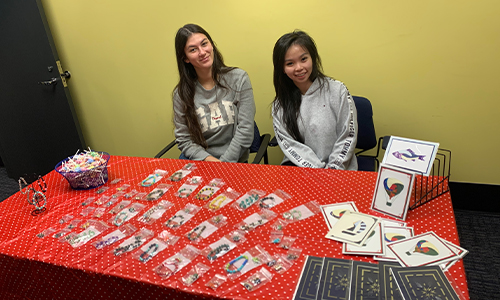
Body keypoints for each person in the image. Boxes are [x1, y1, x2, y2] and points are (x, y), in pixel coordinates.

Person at [271, 30, 358, 170]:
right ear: (282, 68)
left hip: (340, 171)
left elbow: (348, 135)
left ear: (313, 58)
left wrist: (332, 171)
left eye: (303, 59)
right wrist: (318, 171)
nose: (299, 68)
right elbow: (290, 145)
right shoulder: (279, 105)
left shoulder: (337, 91)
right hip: (302, 170)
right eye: (290, 63)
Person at [172, 24, 256, 162]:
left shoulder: (239, 79)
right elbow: (184, 139)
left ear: (212, 45)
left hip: (235, 163)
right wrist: (210, 162)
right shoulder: (181, 94)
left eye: (204, 44)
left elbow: (246, 131)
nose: (202, 52)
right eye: (193, 49)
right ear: (185, 58)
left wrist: (223, 164)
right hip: (202, 163)